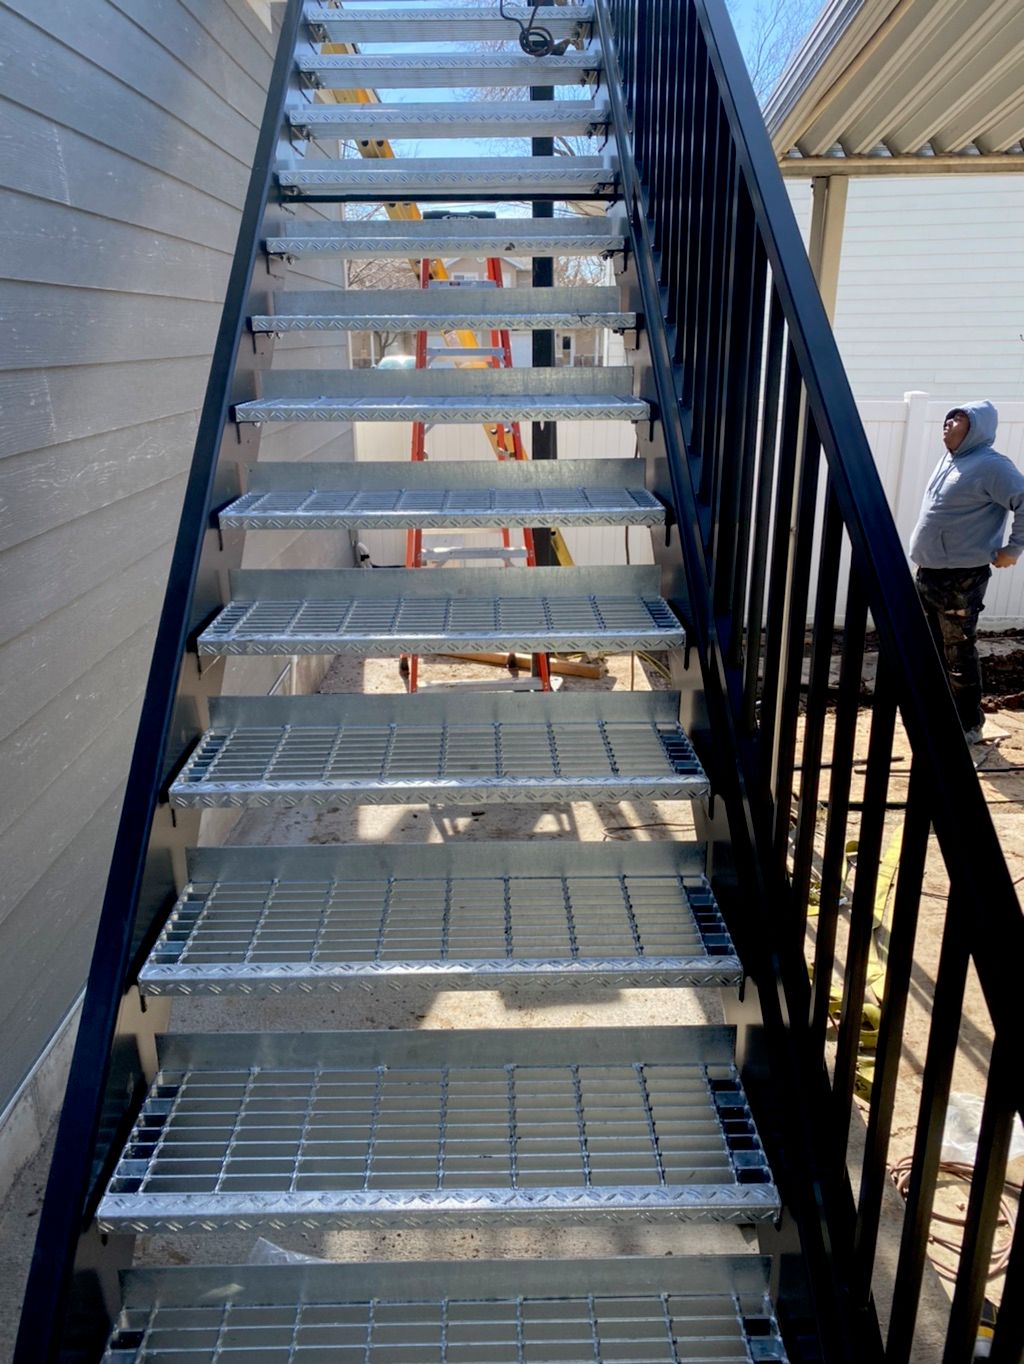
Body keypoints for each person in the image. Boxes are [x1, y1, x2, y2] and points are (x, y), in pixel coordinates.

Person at [909, 400, 1024, 744]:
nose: (948, 424)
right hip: (929, 573)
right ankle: (938, 715)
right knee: (929, 649)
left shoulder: (992, 466)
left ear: (976, 428)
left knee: (958, 652)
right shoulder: (951, 460)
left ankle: (967, 726)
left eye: (958, 419)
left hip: (960, 578)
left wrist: (1012, 549)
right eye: (948, 418)